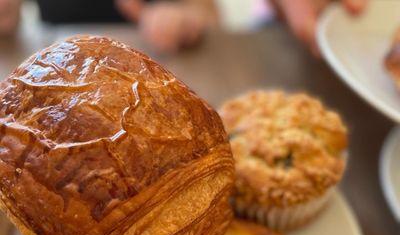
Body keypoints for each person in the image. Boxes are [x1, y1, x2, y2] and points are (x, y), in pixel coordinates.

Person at [0, 0, 367, 55]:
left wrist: (185, 19)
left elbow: (207, 15)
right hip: (56, 59)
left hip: (165, 60)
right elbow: (12, 19)